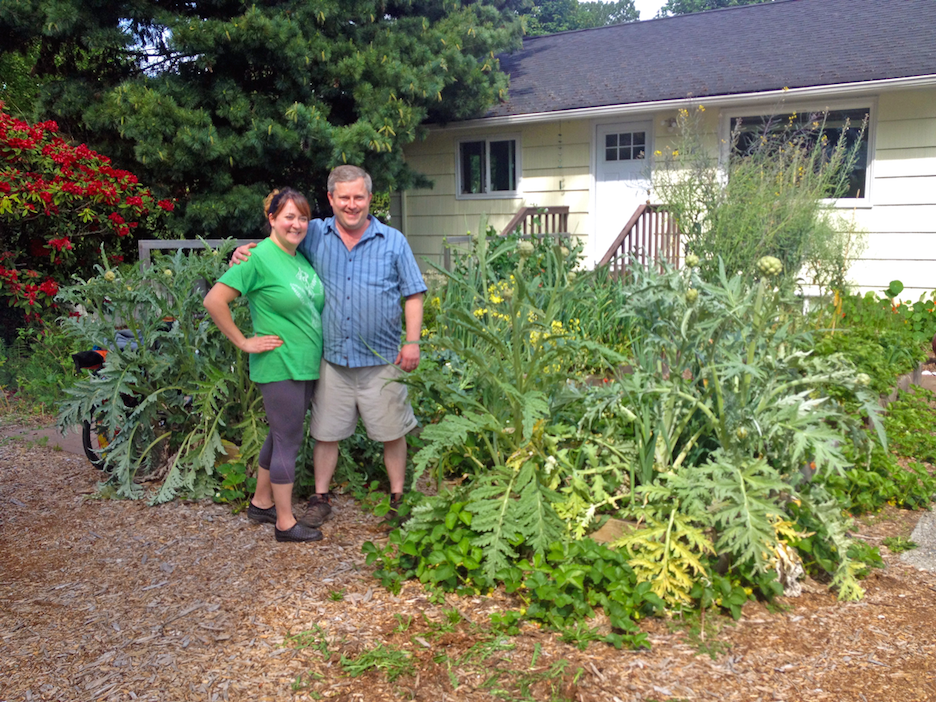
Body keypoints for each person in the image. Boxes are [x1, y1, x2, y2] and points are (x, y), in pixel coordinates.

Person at [232, 165, 426, 526]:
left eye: (358, 197)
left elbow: (413, 293)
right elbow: (280, 240)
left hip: (381, 357)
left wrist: (412, 342)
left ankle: (398, 495)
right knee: (326, 433)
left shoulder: (394, 241)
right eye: (344, 198)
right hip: (332, 359)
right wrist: (246, 251)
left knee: (392, 431)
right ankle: (320, 498)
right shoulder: (315, 233)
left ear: (369, 198)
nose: (351, 205)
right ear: (331, 199)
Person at [205, 188, 325, 543]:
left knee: (278, 433)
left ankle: (261, 503)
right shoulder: (257, 259)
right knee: (288, 440)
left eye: (303, 217)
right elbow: (215, 300)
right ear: (272, 219)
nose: (297, 224)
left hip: (304, 364)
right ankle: (285, 522)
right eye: (289, 216)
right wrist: (243, 341)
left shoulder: (299, 258)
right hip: (279, 364)